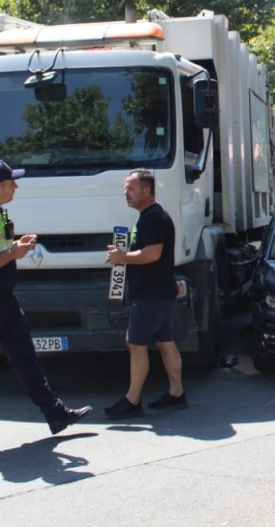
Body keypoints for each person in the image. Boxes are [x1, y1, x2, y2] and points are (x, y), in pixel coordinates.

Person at [0, 161, 91, 445]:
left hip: (4, 303)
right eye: (12, 183)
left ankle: (56, 414)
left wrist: (17, 247)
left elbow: (0, 250)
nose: (16, 186)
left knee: (27, 359)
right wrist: (13, 253)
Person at [104, 169, 188, 419]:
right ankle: (176, 394)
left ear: (146, 190)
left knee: (136, 343)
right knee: (164, 342)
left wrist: (122, 257)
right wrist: (124, 253)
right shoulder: (150, 216)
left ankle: (132, 400)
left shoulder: (153, 217)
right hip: (158, 292)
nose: (125, 193)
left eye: (130, 188)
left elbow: (153, 254)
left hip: (152, 294)